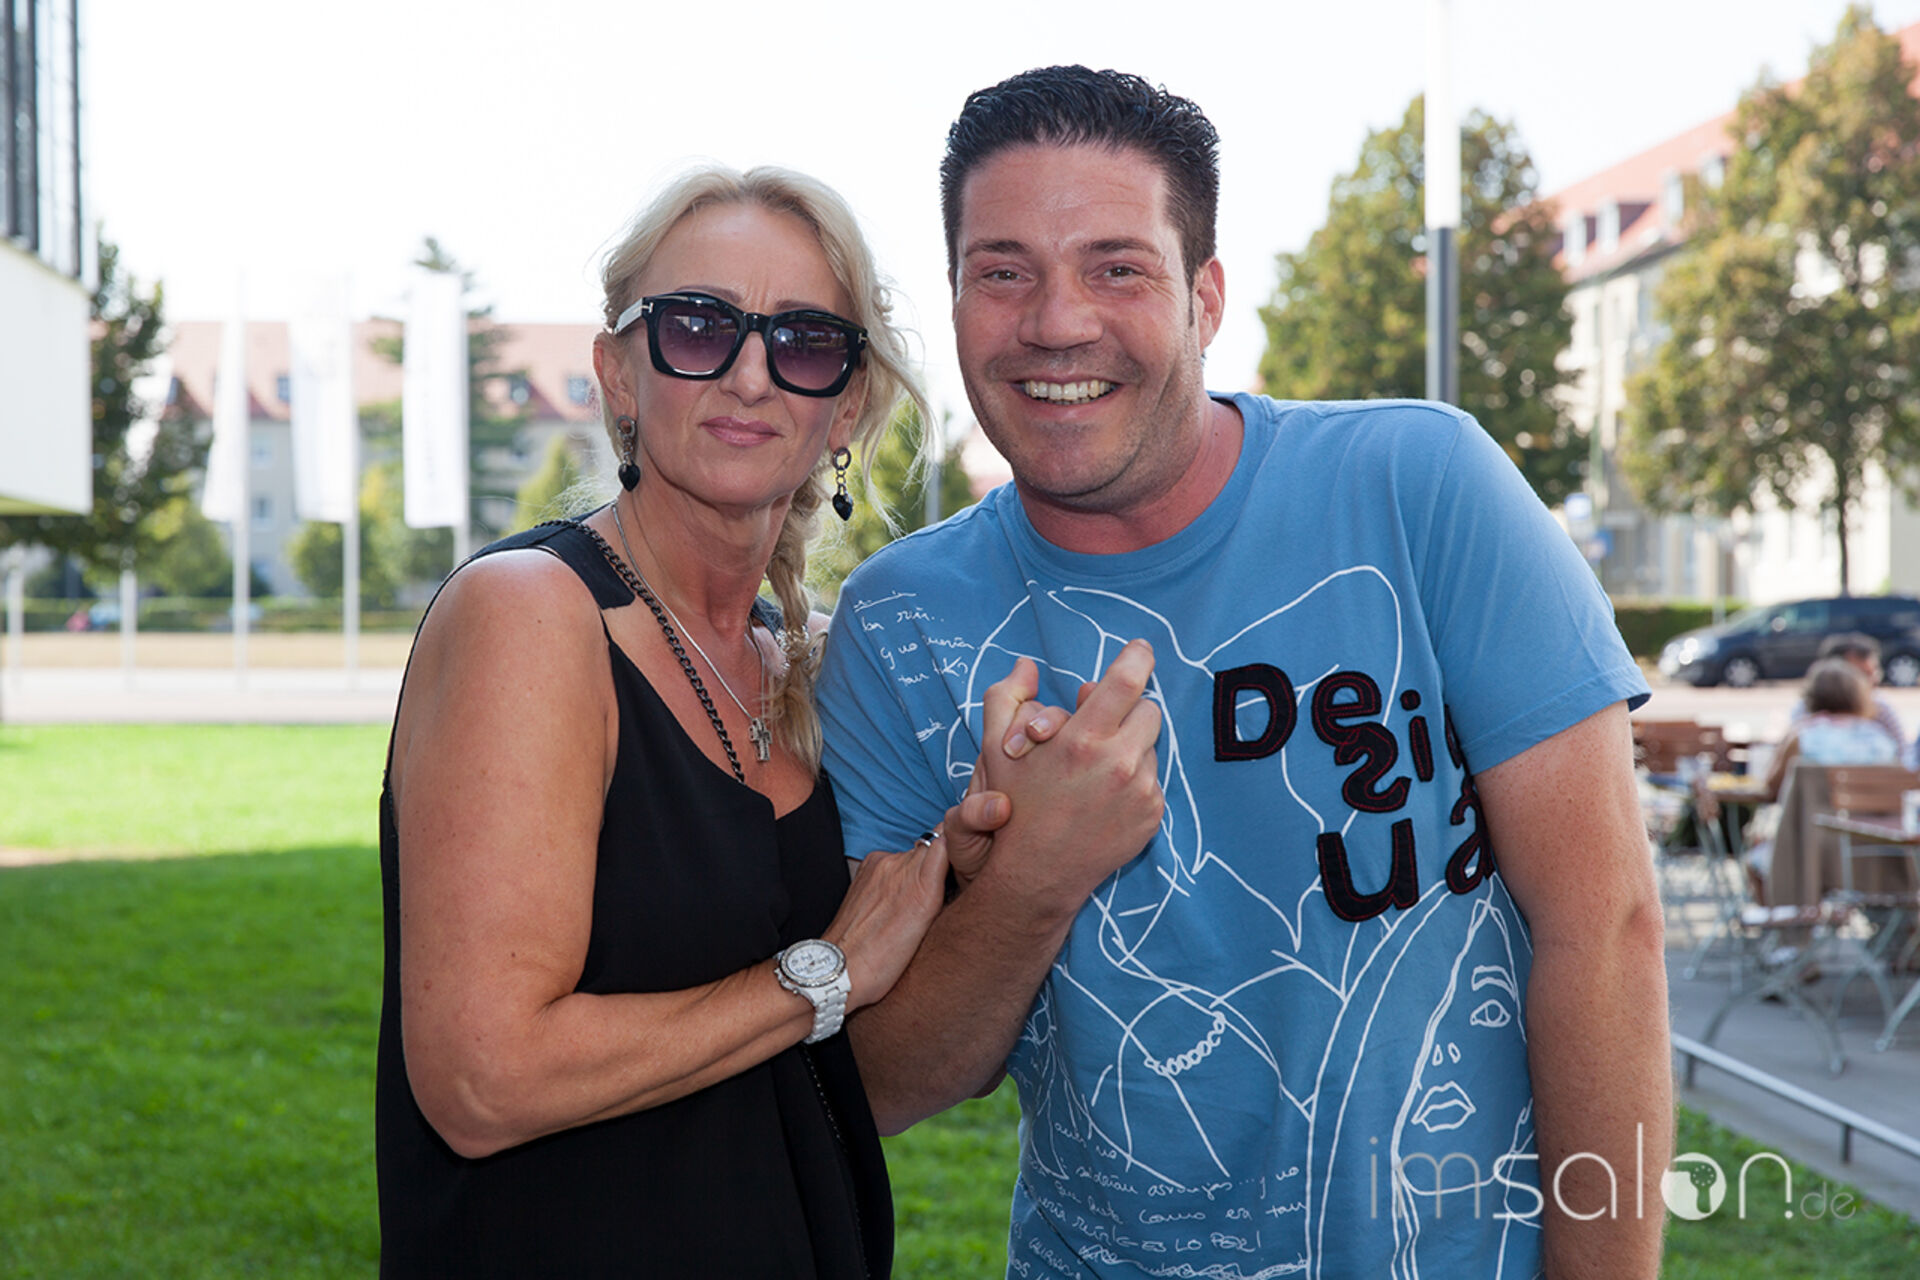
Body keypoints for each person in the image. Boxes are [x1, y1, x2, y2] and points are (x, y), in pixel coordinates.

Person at [816, 67, 1670, 1278]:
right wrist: (1032, 879)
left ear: (1206, 296)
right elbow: (886, 1080)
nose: (1057, 320)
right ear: (953, 297)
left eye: (1118, 267)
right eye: (1002, 271)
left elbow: (1605, 928)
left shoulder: (1421, 487)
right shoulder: (902, 620)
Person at [375, 164, 989, 1277]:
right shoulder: (532, 614)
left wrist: (989, 868)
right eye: (698, 326)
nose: (751, 374)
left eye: (805, 341)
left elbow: (882, 1068)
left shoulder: (807, 662)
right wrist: (823, 972)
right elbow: (481, 1080)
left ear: (846, 403)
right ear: (619, 372)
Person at [1721, 656, 1901, 903]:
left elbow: (1770, 789)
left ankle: (1780, 921)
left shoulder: (1803, 736)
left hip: (1807, 854)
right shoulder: (1881, 741)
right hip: (1877, 853)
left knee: (1756, 859)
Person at [1790, 632, 1905, 753]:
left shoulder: (1881, 709)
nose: (1873, 681)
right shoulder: (1805, 713)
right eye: (1862, 675)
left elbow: (1903, 753)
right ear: (1832, 674)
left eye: (1874, 673)